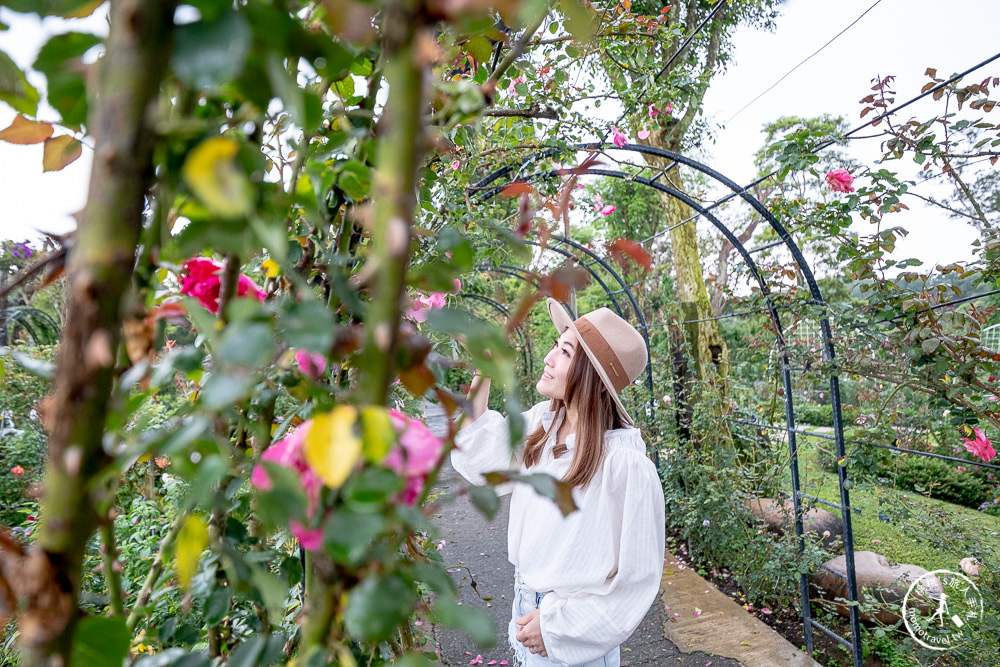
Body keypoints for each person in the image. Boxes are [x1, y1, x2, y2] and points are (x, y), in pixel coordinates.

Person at [451, 298, 666, 667]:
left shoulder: (624, 465)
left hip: (570, 630)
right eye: (555, 345)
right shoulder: (544, 424)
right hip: (526, 605)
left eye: (565, 352)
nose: (550, 358)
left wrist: (556, 628)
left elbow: (636, 580)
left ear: (592, 376)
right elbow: (480, 458)